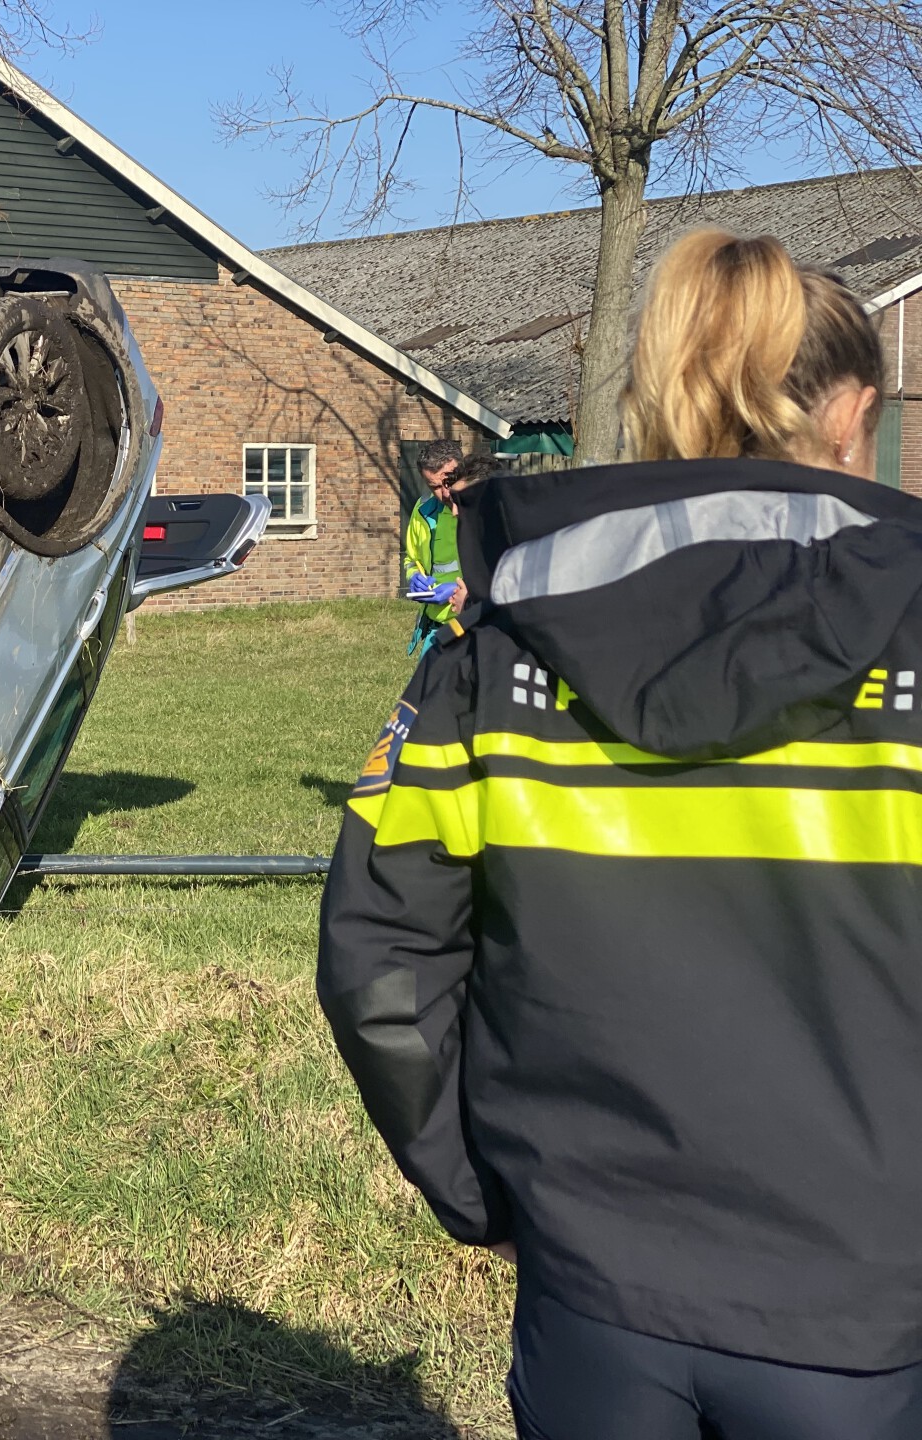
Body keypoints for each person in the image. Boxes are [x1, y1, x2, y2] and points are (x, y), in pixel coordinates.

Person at [319, 229, 922, 1438]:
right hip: (865, 1314)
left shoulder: (493, 645)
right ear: (854, 416)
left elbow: (381, 964)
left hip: (593, 1293)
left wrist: (479, 1186)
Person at [402, 439, 466, 655]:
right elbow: (412, 560)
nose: (444, 493)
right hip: (436, 628)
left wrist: (461, 590)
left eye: (448, 482)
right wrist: (414, 578)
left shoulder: (482, 508)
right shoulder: (422, 511)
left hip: (474, 623)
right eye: (434, 487)